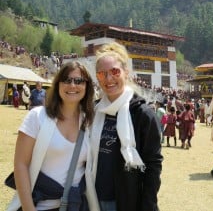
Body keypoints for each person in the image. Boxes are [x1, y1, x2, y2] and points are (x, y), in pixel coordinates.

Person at [7, 61, 95, 211]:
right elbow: (21, 165)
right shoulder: (37, 116)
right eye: (67, 80)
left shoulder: (91, 122)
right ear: (58, 84)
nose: (72, 85)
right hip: (39, 206)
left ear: (87, 86)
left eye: (79, 81)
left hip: (75, 205)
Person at [86, 42, 163, 211]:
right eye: (102, 74)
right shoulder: (94, 110)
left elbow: (153, 166)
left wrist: (148, 205)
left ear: (126, 72)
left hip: (125, 202)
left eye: (114, 71)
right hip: (92, 198)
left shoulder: (142, 114)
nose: (108, 79)